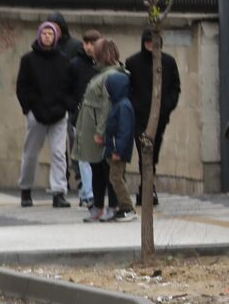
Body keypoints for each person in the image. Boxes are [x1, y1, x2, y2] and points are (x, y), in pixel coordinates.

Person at [14, 21, 72, 208]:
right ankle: (25, 189)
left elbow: (68, 87)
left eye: (51, 33)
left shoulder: (64, 60)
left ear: (56, 37)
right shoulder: (28, 60)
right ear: (39, 35)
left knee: (58, 154)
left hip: (59, 114)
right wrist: (29, 108)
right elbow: (22, 87)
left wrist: (65, 106)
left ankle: (59, 192)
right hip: (36, 113)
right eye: (44, 33)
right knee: (30, 153)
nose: (47, 36)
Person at [72, 39, 130, 223]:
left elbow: (106, 105)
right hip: (92, 128)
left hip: (99, 131)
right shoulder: (105, 74)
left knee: (106, 169)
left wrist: (100, 131)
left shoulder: (109, 76)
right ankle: (98, 206)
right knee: (97, 168)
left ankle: (112, 206)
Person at [125, 27, 181, 206]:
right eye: (147, 41)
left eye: (153, 42)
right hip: (140, 117)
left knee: (153, 153)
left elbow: (175, 88)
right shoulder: (132, 62)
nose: (150, 45)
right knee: (144, 153)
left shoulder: (169, 62)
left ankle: (148, 187)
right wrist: (136, 107)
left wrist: (166, 107)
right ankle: (147, 189)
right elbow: (128, 88)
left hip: (160, 116)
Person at [67, 30, 102, 208]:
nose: (89, 47)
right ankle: (89, 194)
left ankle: (88, 192)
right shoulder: (75, 64)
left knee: (95, 158)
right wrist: (73, 109)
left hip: (99, 117)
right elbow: (67, 89)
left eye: (92, 43)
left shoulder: (103, 64)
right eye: (86, 43)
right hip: (79, 117)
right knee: (83, 157)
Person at [102, 73, 138, 222]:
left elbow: (123, 131)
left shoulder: (123, 106)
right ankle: (124, 206)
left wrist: (117, 150)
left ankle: (127, 207)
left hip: (119, 150)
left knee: (115, 177)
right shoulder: (120, 104)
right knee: (117, 177)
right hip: (116, 148)